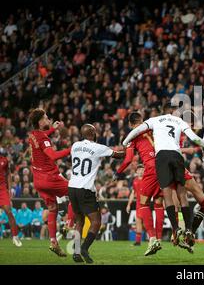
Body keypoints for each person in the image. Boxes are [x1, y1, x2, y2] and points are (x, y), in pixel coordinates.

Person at [122, 106, 204, 250]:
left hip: (161, 159)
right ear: (173, 112)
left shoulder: (154, 120)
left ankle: (175, 230)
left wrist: (125, 142)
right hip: (176, 157)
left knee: (168, 195)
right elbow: (194, 138)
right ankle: (193, 226)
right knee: (185, 193)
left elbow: (137, 131)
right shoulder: (179, 121)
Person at [69, 124, 125, 263]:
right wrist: (130, 147)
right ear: (94, 133)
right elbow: (119, 155)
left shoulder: (75, 146)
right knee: (96, 221)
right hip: (85, 188)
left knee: (79, 220)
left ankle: (76, 252)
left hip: (72, 187)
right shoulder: (98, 147)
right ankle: (84, 248)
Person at [117, 112, 163, 255]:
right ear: (142, 120)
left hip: (151, 167)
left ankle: (153, 239)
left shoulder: (132, 135)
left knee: (143, 204)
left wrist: (118, 172)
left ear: (131, 124)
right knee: (159, 203)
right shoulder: (153, 127)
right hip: (165, 164)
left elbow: (128, 159)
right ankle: (160, 239)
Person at [28, 108, 71, 256]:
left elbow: (42, 137)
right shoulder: (44, 139)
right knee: (76, 191)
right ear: (40, 122)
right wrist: (71, 149)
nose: (48, 119)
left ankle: (53, 242)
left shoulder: (33, 135)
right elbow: (52, 155)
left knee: (53, 208)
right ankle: (69, 223)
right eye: (46, 118)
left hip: (38, 180)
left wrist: (53, 128)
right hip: (49, 178)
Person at [0, 148, 21, 246]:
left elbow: (8, 173)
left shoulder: (4, 160)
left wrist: (10, 188)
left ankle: (15, 237)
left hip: (2, 189)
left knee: (9, 211)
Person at [126, 165, 146, 246]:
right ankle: (138, 241)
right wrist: (128, 205)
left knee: (147, 223)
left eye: (142, 170)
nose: (141, 171)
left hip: (146, 204)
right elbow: (133, 193)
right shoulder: (135, 180)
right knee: (138, 222)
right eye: (139, 170)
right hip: (138, 204)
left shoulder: (146, 180)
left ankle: (154, 239)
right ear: (136, 172)